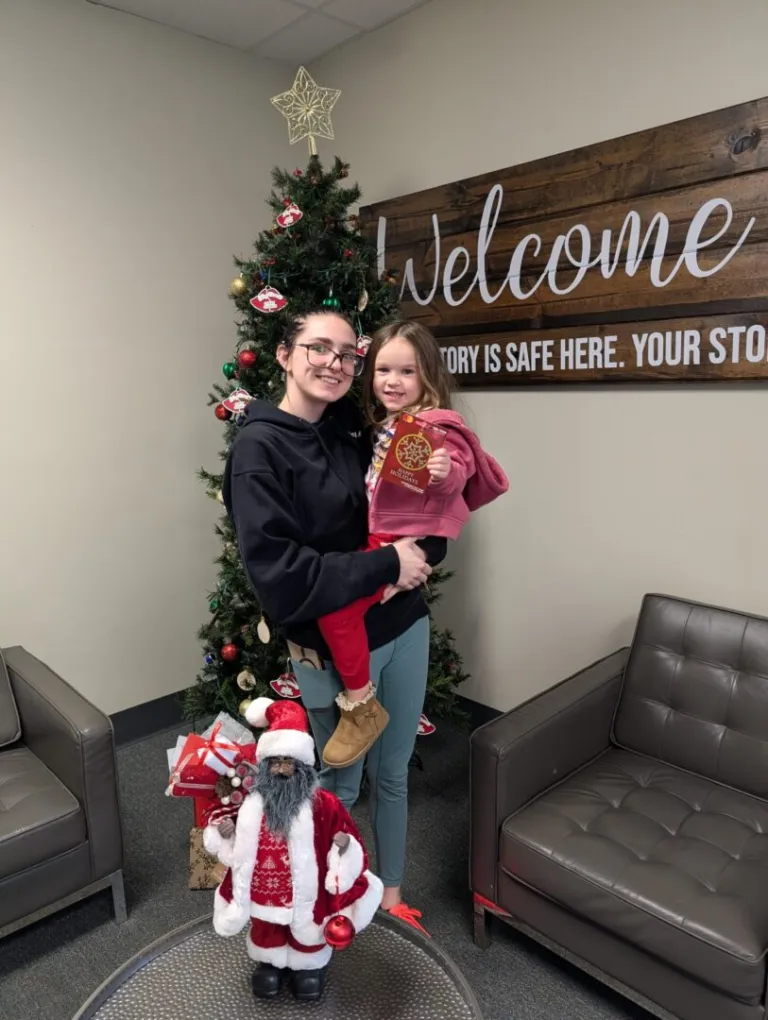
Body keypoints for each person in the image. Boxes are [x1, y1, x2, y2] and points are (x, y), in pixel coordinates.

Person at [223, 307, 444, 934]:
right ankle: (323, 908)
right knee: (338, 789)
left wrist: (421, 549)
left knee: (395, 772)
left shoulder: (357, 431)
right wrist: (383, 566)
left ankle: (392, 895)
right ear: (285, 355)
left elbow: (420, 521)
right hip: (333, 652)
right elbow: (285, 579)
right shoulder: (257, 449)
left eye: (349, 354)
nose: (335, 363)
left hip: (405, 627)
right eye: (319, 348)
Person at [317, 320, 509, 769]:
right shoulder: (382, 425)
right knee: (340, 603)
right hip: (379, 536)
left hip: (399, 536)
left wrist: (445, 473)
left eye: (407, 372)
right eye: (383, 370)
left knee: (336, 609)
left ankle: (361, 707)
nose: (392, 382)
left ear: (428, 376)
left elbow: (455, 472)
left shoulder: (439, 426)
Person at [203, 697, 383, 1002]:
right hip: (263, 890)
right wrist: (226, 835)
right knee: (267, 928)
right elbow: (232, 842)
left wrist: (343, 848)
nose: (282, 770)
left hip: (304, 891)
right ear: (264, 766)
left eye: (289, 763)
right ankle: (269, 962)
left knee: (307, 928)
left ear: (303, 767)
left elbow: (349, 838)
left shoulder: (324, 804)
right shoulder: (249, 802)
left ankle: (307, 968)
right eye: (274, 763)